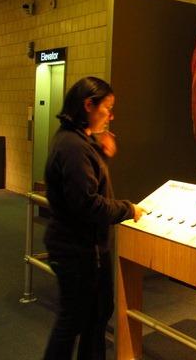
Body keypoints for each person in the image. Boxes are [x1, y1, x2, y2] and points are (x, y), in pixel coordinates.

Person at [42, 76, 145, 360]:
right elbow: (86, 204)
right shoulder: (73, 146)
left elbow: (84, 183)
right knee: (74, 320)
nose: (111, 116)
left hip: (85, 249)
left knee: (94, 316)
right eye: (107, 108)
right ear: (89, 105)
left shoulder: (75, 140)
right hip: (77, 251)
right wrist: (128, 209)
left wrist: (101, 153)